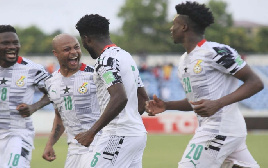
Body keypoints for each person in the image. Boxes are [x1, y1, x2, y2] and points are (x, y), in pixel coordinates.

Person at [145, 1, 263, 168]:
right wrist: (167, 105)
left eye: (174, 24)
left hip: (219, 128)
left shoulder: (216, 52)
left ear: (184, 27)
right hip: (220, 128)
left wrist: (218, 103)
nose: (172, 29)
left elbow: (255, 82)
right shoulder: (183, 61)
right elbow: (197, 102)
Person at [75, 14, 149, 167]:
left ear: (87, 39)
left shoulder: (105, 61)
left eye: (83, 42)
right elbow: (142, 99)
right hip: (136, 134)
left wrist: (91, 132)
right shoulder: (126, 56)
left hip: (118, 134)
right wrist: (130, 118)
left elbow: (120, 97)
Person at [0, 25, 50, 168]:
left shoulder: (32, 69)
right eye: (5, 43)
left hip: (19, 133)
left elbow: (52, 93)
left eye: (15, 42)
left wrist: (33, 107)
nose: (12, 46)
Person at [42, 34, 102, 168]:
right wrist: (50, 144)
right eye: (67, 49)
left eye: (76, 47)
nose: (74, 52)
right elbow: (60, 116)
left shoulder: (94, 74)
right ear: (56, 53)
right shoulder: (51, 82)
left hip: (98, 144)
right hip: (74, 150)